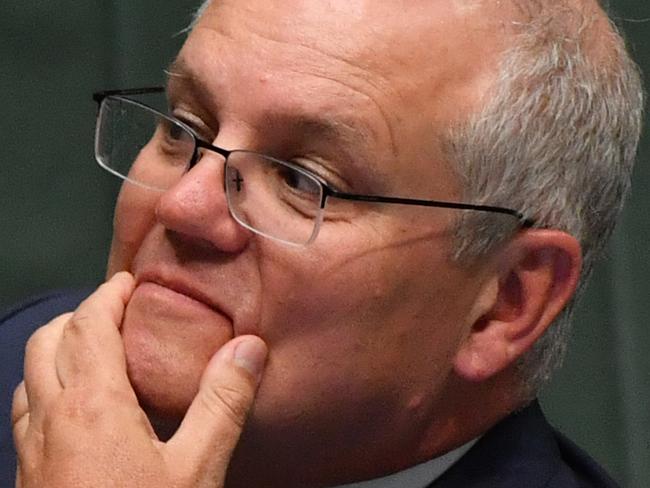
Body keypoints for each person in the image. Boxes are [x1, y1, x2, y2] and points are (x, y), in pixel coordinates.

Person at [1, 0, 644, 486]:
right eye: (182, 128)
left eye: (301, 180)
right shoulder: (14, 361)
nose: (183, 204)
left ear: (504, 301)